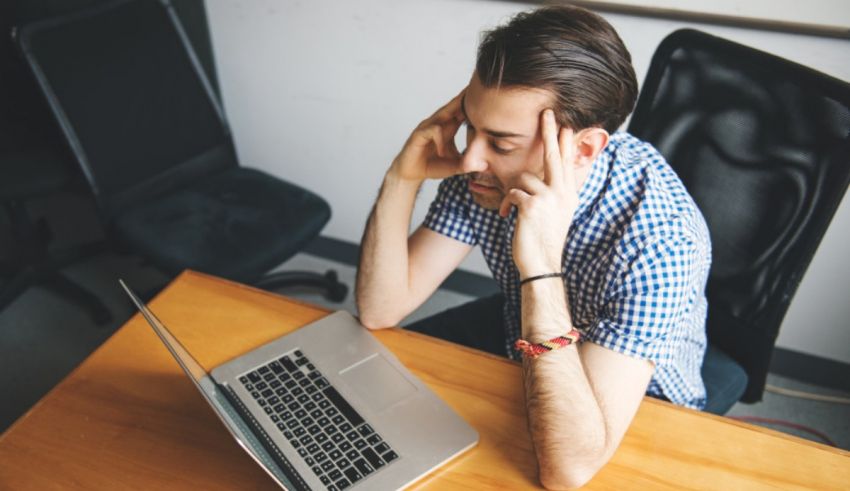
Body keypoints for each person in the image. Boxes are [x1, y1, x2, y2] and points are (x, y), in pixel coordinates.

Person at [355, 5, 711, 489]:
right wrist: (402, 177)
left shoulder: (662, 244)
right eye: (471, 128)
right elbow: (381, 308)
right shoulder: (485, 175)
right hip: (524, 350)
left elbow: (569, 472)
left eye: (500, 143)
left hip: (638, 401)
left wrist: (541, 265)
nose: (470, 158)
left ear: (583, 149)